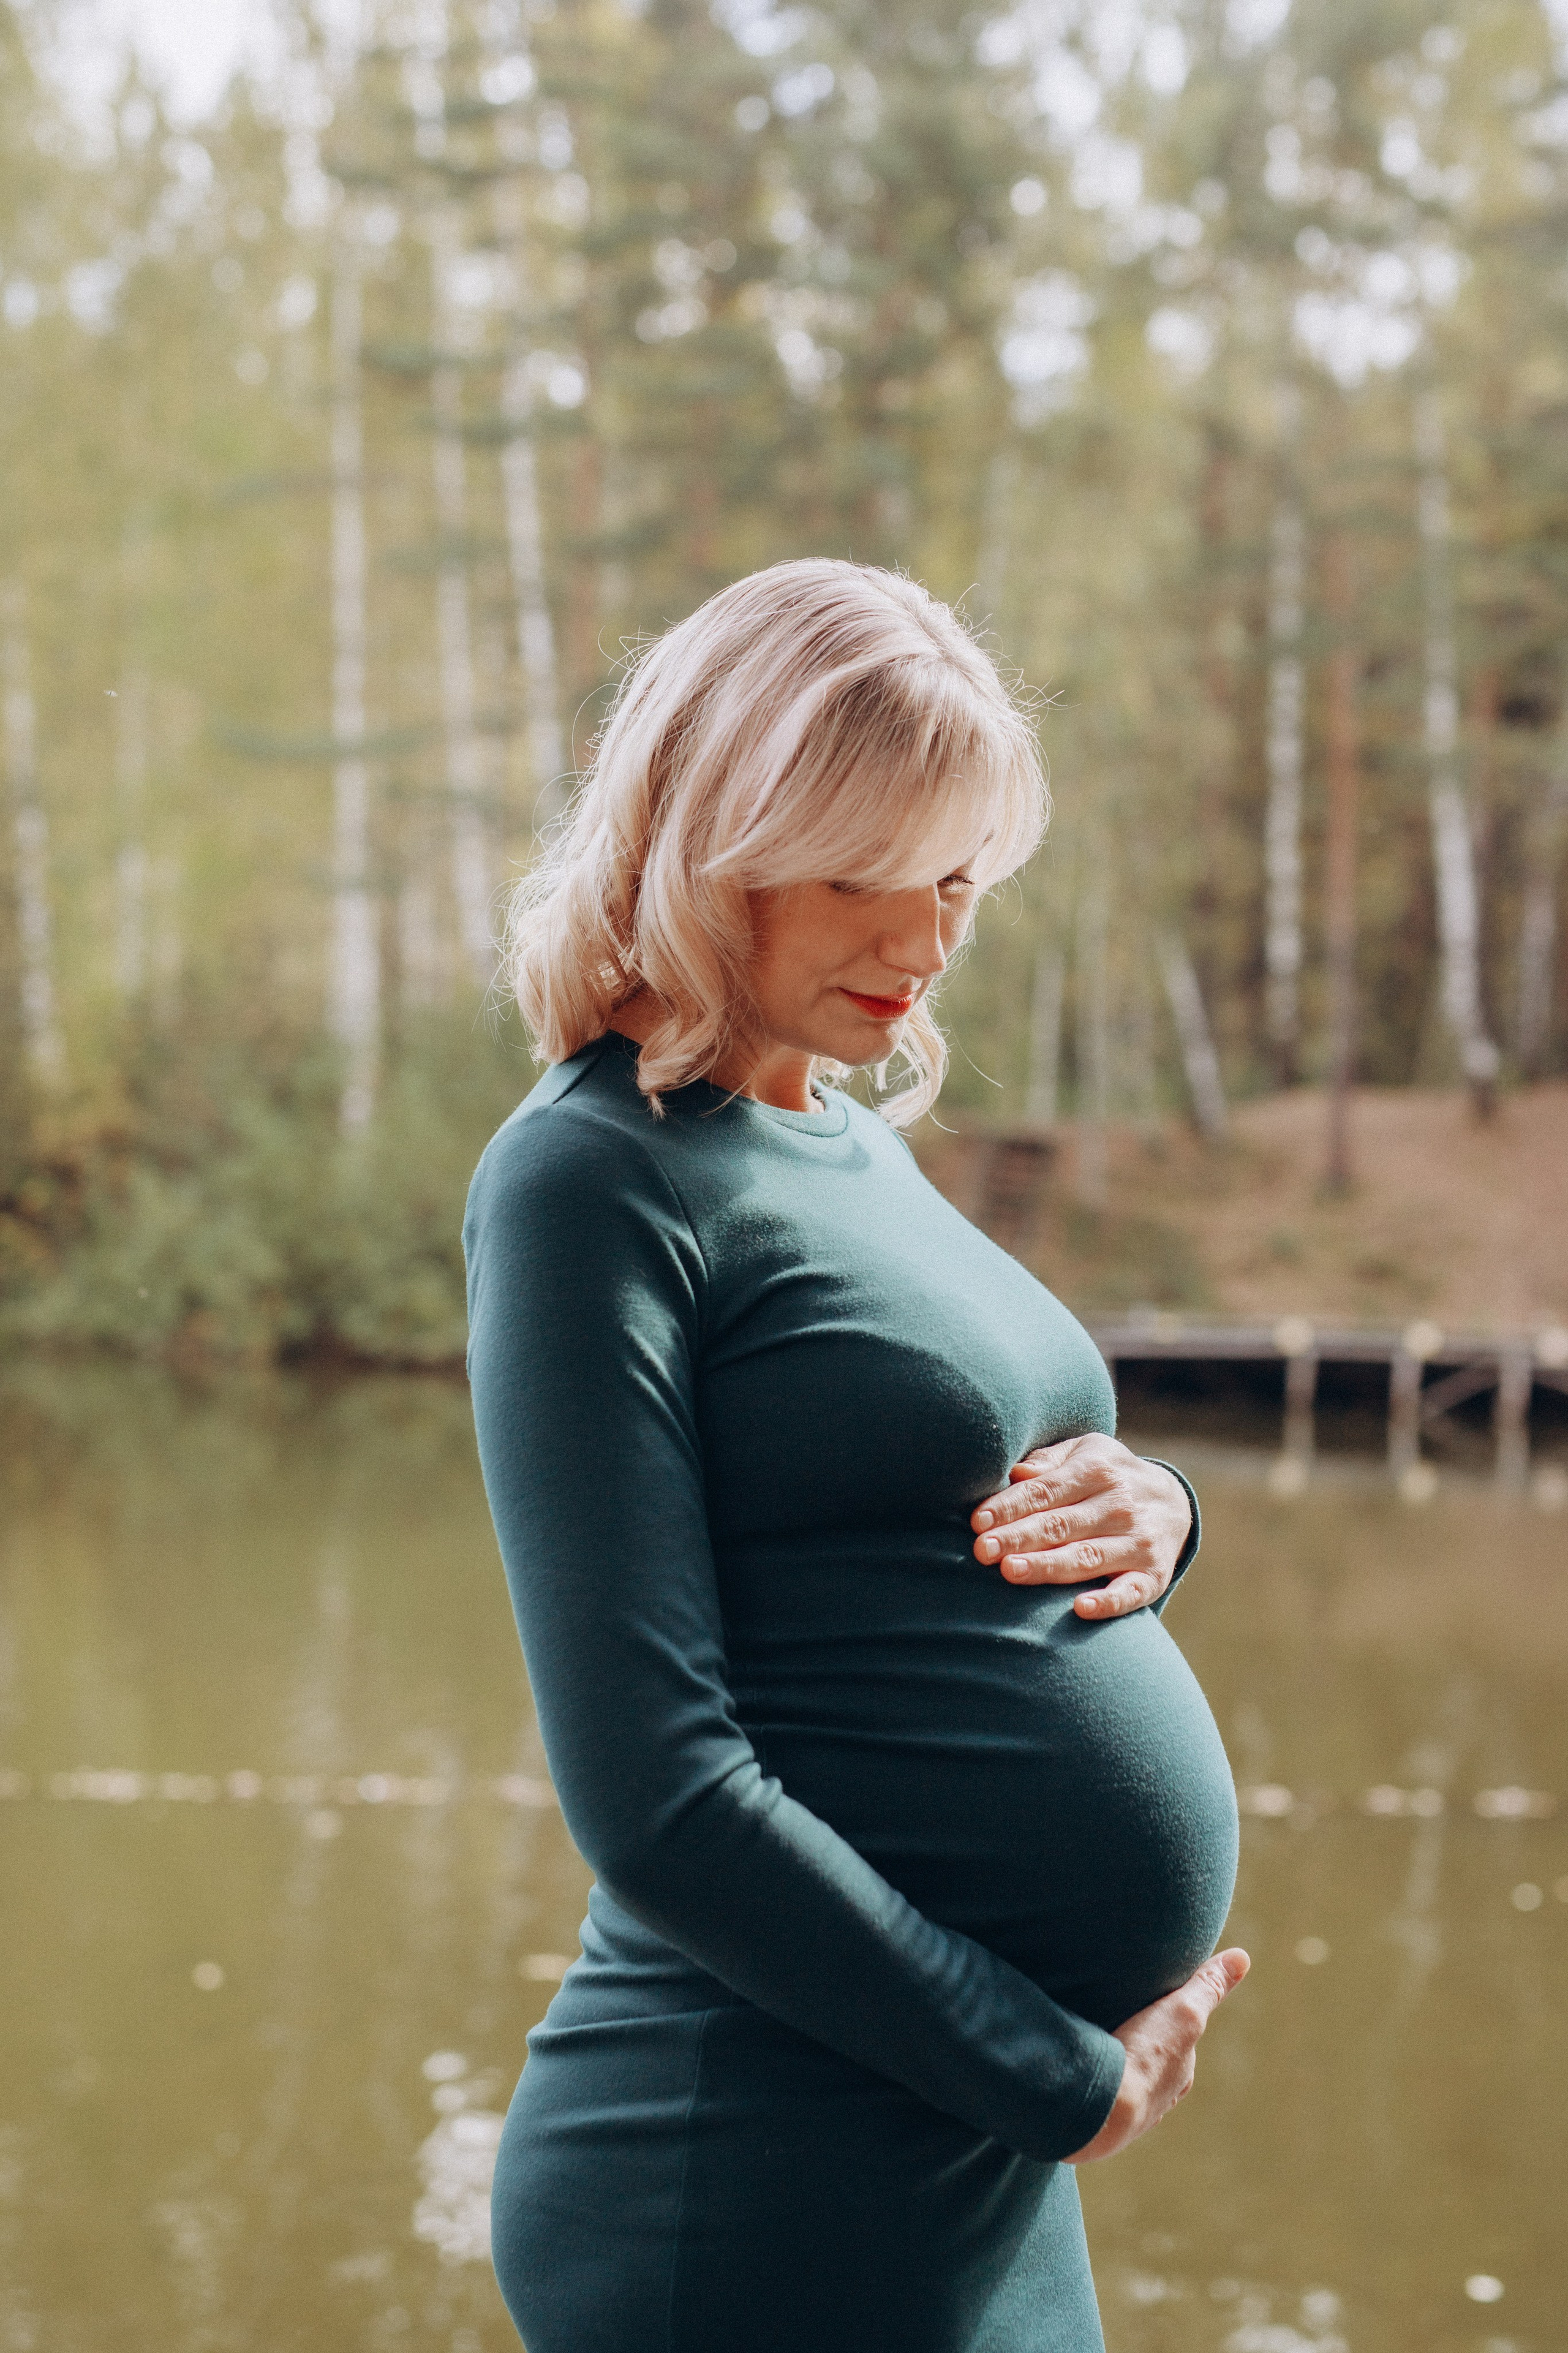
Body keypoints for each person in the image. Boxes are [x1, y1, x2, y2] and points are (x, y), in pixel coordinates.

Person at [464, 559, 1248, 2353]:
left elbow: (947, 1497)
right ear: (702, 839)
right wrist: (1048, 2070)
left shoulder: (845, 1140)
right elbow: (658, 1795)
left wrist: (1163, 1510)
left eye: (960, 873)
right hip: (759, 2164)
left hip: (965, 2167)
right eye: (858, 875)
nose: (924, 936)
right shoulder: (591, 1180)